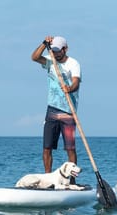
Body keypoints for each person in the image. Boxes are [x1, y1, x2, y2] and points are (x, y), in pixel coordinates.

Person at [31, 35, 81, 175]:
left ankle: (72, 180)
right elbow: (34, 57)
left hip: (68, 111)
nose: (55, 54)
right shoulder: (50, 61)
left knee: (70, 148)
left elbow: (76, 82)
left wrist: (69, 88)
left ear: (65, 49)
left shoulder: (73, 63)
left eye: (58, 51)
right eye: (53, 50)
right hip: (52, 110)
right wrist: (43, 44)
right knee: (47, 147)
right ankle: (47, 177)